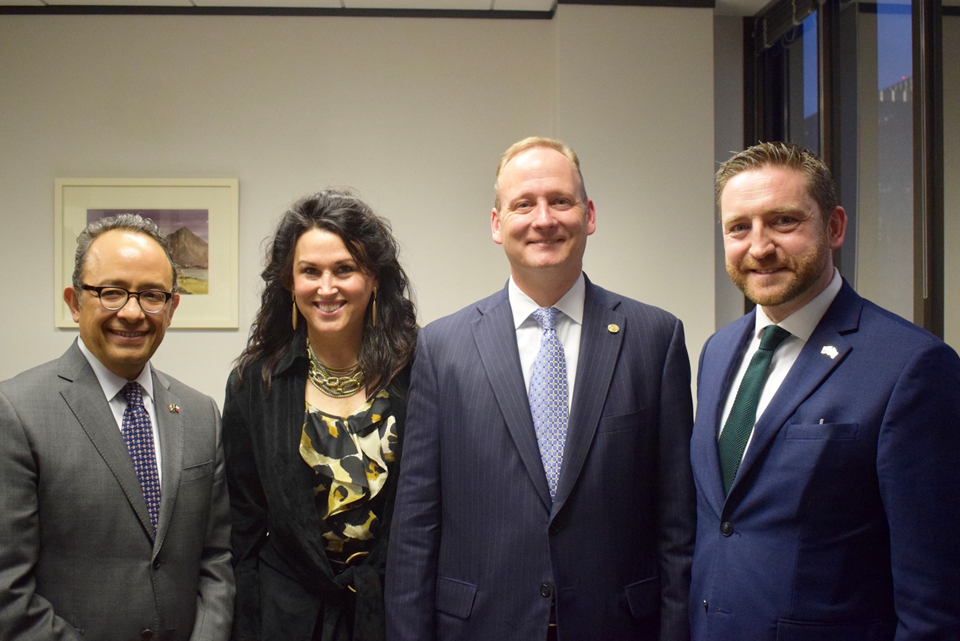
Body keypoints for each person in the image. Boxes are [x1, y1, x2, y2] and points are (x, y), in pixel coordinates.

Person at [386, 137, 695, 641]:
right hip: (479, 626)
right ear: (496, 224)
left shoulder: (654, 339)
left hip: (618, 626)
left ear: (589, 214)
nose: (543, 218)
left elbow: (677, 523)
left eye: (561, 200)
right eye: (523, 204)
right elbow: (416, 528)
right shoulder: (442, 348)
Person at [690, 142, 960, 640]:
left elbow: (935, 598)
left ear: (834, 227)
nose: (759, 246)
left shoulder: (912, 367)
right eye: (738, 228)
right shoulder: (718, 351)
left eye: (784, 222)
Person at [0, 214, 234, 640]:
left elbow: (216, 561)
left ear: (172, 307)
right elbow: (7, 591)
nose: (132, 313)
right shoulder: (15, 412)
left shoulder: (202, 415)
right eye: (111, 293)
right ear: (74, 302)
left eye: (151, 296)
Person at [223, 189, 418, 641]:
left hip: (395, 613)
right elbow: (242, 533)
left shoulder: (421, 372)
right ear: (290, 283)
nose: (326, 287)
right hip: (285, 617)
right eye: (310, 271)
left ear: (373, 280)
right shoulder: (255, 384)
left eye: (344, 269)